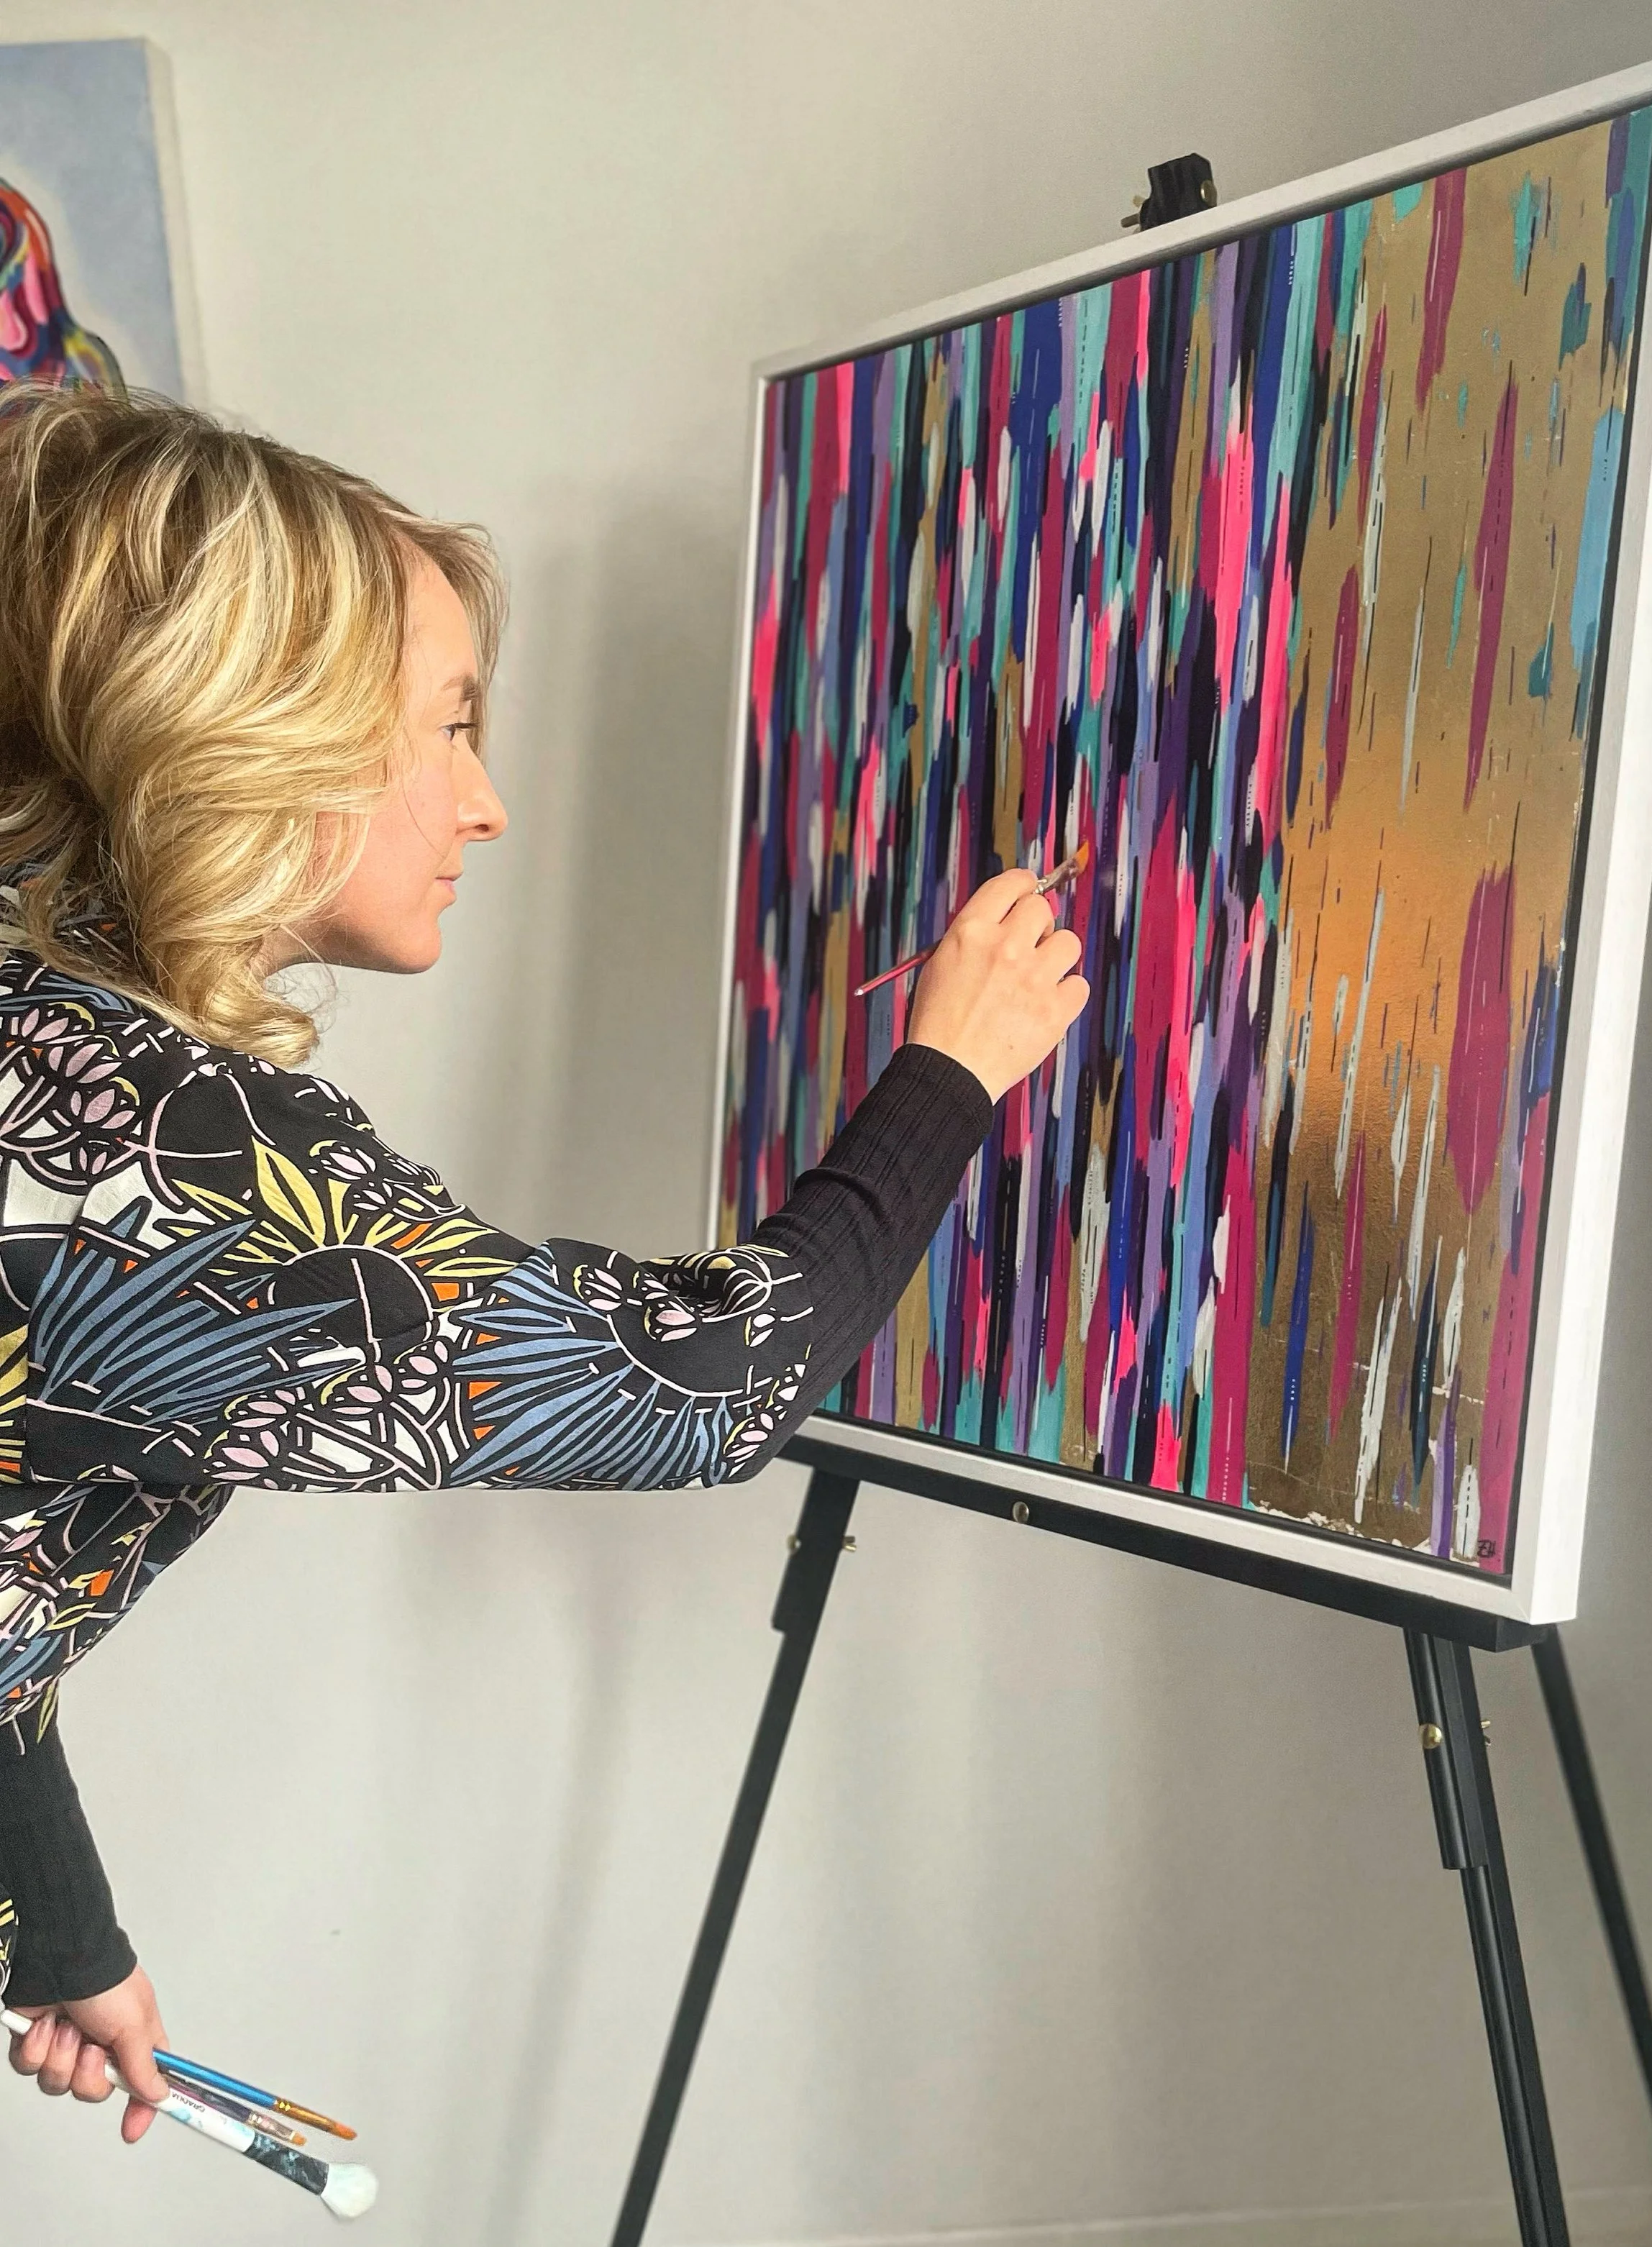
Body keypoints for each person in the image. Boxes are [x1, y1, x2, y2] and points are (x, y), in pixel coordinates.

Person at [0, 385, 1087, 2141]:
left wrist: (57, 1927)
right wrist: (951, 1066)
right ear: (255, 725)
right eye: (446, 726)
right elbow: (701, 1389)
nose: (485, 802)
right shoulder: (160, 1152)